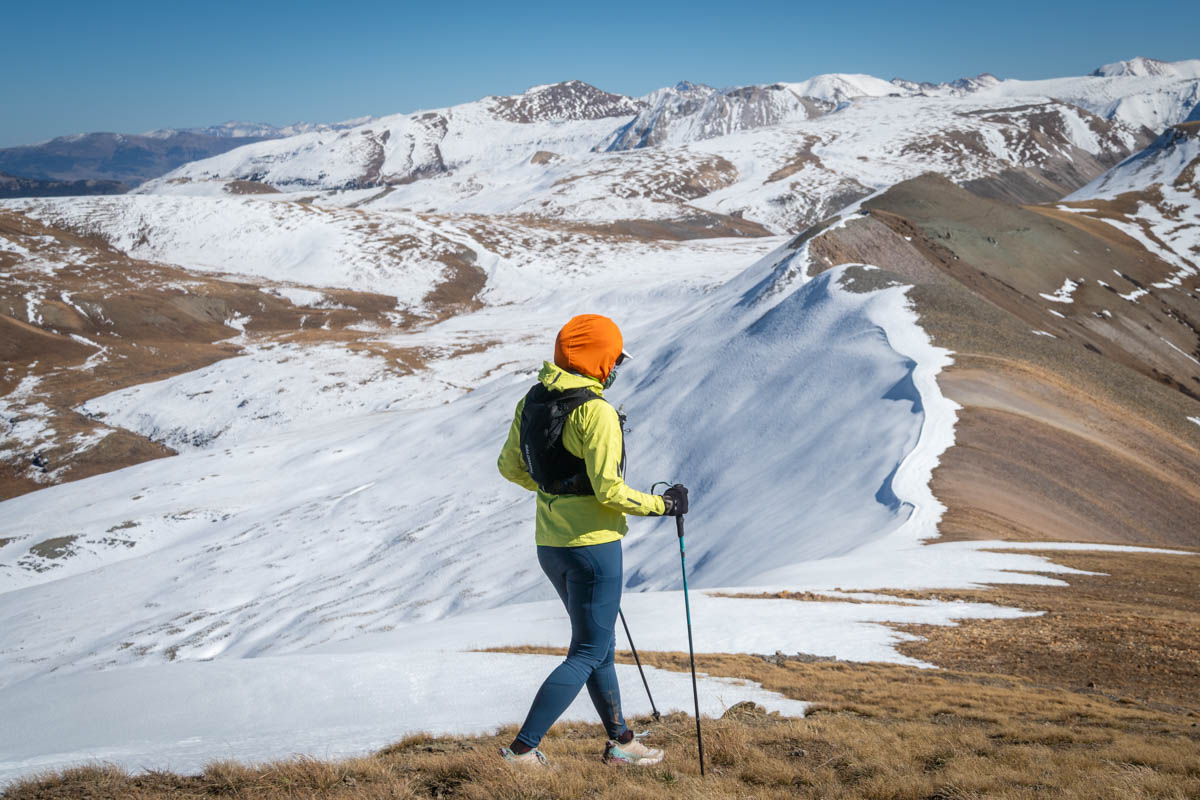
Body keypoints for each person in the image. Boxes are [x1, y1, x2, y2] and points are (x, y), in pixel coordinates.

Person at [496, 313, 689, 767]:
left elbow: (510, 468)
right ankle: (522, 751)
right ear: (600, 358)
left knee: (596, 645)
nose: (616, 365)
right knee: (586, 651)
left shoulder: (534, 400)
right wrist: (667, 506)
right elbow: (611, 492)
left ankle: (621, 741)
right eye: (615, 357)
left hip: (551, 544)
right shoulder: (595, 411)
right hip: (595, 546)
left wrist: (557, 491)